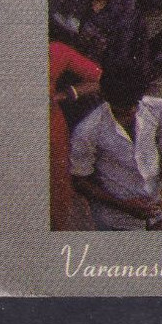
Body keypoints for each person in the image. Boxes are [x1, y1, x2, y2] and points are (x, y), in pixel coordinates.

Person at [69, 65, 162, 231]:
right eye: (121, 109)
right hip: (115, 219)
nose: (131, 112)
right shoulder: (87, 129)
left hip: (158, 209)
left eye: (134, 104)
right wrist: (123, 205)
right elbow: (80, 180)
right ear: (104, 95)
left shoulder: (160, 108)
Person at [49, 27, 102, 229]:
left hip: (53, 128)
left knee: (57, 185)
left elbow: (99, 78)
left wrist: (68, 93)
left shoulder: (56, 52)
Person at [61, 0, 148, 77]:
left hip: (110, 71)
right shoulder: (78, 0)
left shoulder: (128, 8)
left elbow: (124, 49)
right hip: (77, 66)